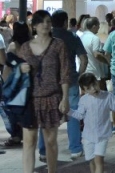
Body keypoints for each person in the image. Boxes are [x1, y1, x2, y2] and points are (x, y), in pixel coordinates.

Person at [18, 10, 71, 173]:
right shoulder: (26, 48)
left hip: (51, 97)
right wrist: (20, 68)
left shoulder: (58, 45)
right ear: (34, 26)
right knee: (29, 141)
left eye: (48, 22)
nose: (46, 25)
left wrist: (65, 98)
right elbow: (15, 73)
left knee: (50, 141)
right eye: (41, 22)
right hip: (30, 100)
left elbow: (64, 73)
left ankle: (52, 171)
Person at [37, 9, 88, 162]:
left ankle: (44, 150)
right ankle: (75, 149)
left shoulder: (45, 37)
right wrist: (79, 75)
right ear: (66, 22)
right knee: (72, 115)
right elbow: (84, 59)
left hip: (49, 83)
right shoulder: (72, 37)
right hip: (70, 81)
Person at [68, 72, 115, 173]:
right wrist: (68, 111)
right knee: (91, 161)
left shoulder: (107, 96)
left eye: (94, 84)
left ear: (97, 81)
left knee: (99, 160)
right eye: (89, 88)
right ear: (84, 90)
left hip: (102, 135)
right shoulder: (83, 100)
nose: (93, 88)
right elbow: (80, 115)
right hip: (88, 136)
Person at [1, 22, 32, 149]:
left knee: (9, 108)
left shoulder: (14, 46)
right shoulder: (31, 44)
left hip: (13, 81)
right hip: (26, 81)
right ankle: (22, 131)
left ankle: (16, 134)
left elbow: (7, 62)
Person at [80, 17, 109, 90]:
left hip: (84, 71)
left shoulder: (81, 37)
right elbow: (97, 55)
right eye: (98, 26)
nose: (99, 28)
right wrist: (107, 62)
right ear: (94, 26)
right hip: (95, 73)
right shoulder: (94, 38)